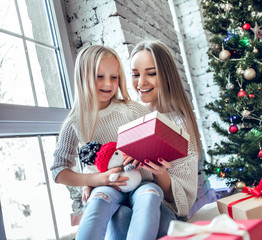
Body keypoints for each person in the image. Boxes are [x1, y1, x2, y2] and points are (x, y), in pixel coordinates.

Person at [50, 44, 166, 240]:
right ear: (83, 77)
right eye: (99, 76)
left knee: (150, 196)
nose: (109, 83)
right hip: (105, 187)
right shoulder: (74, 122)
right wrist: (94, 180)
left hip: (142, 184)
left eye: (114, 77)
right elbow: (59, 172)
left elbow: (159, 144)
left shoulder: (132, 110)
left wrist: (142, 155)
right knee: (97, 203)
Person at [108, 40, 202, 239]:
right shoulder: (128, 115)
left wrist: (161, 174)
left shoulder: (179, 122)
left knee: (153, 212)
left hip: (163, 208)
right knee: (119, 215)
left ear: (166, 75)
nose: (141, 83)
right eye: (135, 74)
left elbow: (182, 202)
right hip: (127, 201)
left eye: (151, 73)